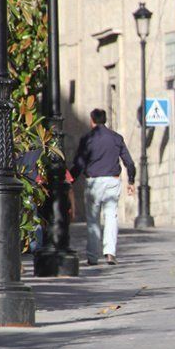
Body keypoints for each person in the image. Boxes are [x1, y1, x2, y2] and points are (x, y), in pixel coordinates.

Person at [70, 108, 136, 266]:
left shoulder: (87, 139)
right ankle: (110, 253)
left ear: (92, 120)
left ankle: (93, 256)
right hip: (113, 181)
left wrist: (70, 180)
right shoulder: (116, 138)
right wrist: (131, 180)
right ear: (105, 120)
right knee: (111, 216)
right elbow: (129, 162)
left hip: (94, 181)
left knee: (93, 219)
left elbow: (79, 163)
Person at [16, 147, 75, 253]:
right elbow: (68, 183)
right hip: (40, 194)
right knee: (36, 221)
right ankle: (37, 247)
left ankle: (35, 246)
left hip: (29, 192)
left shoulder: (23, 157)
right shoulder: (44, 157)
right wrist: (72, 208)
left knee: (33, 220)